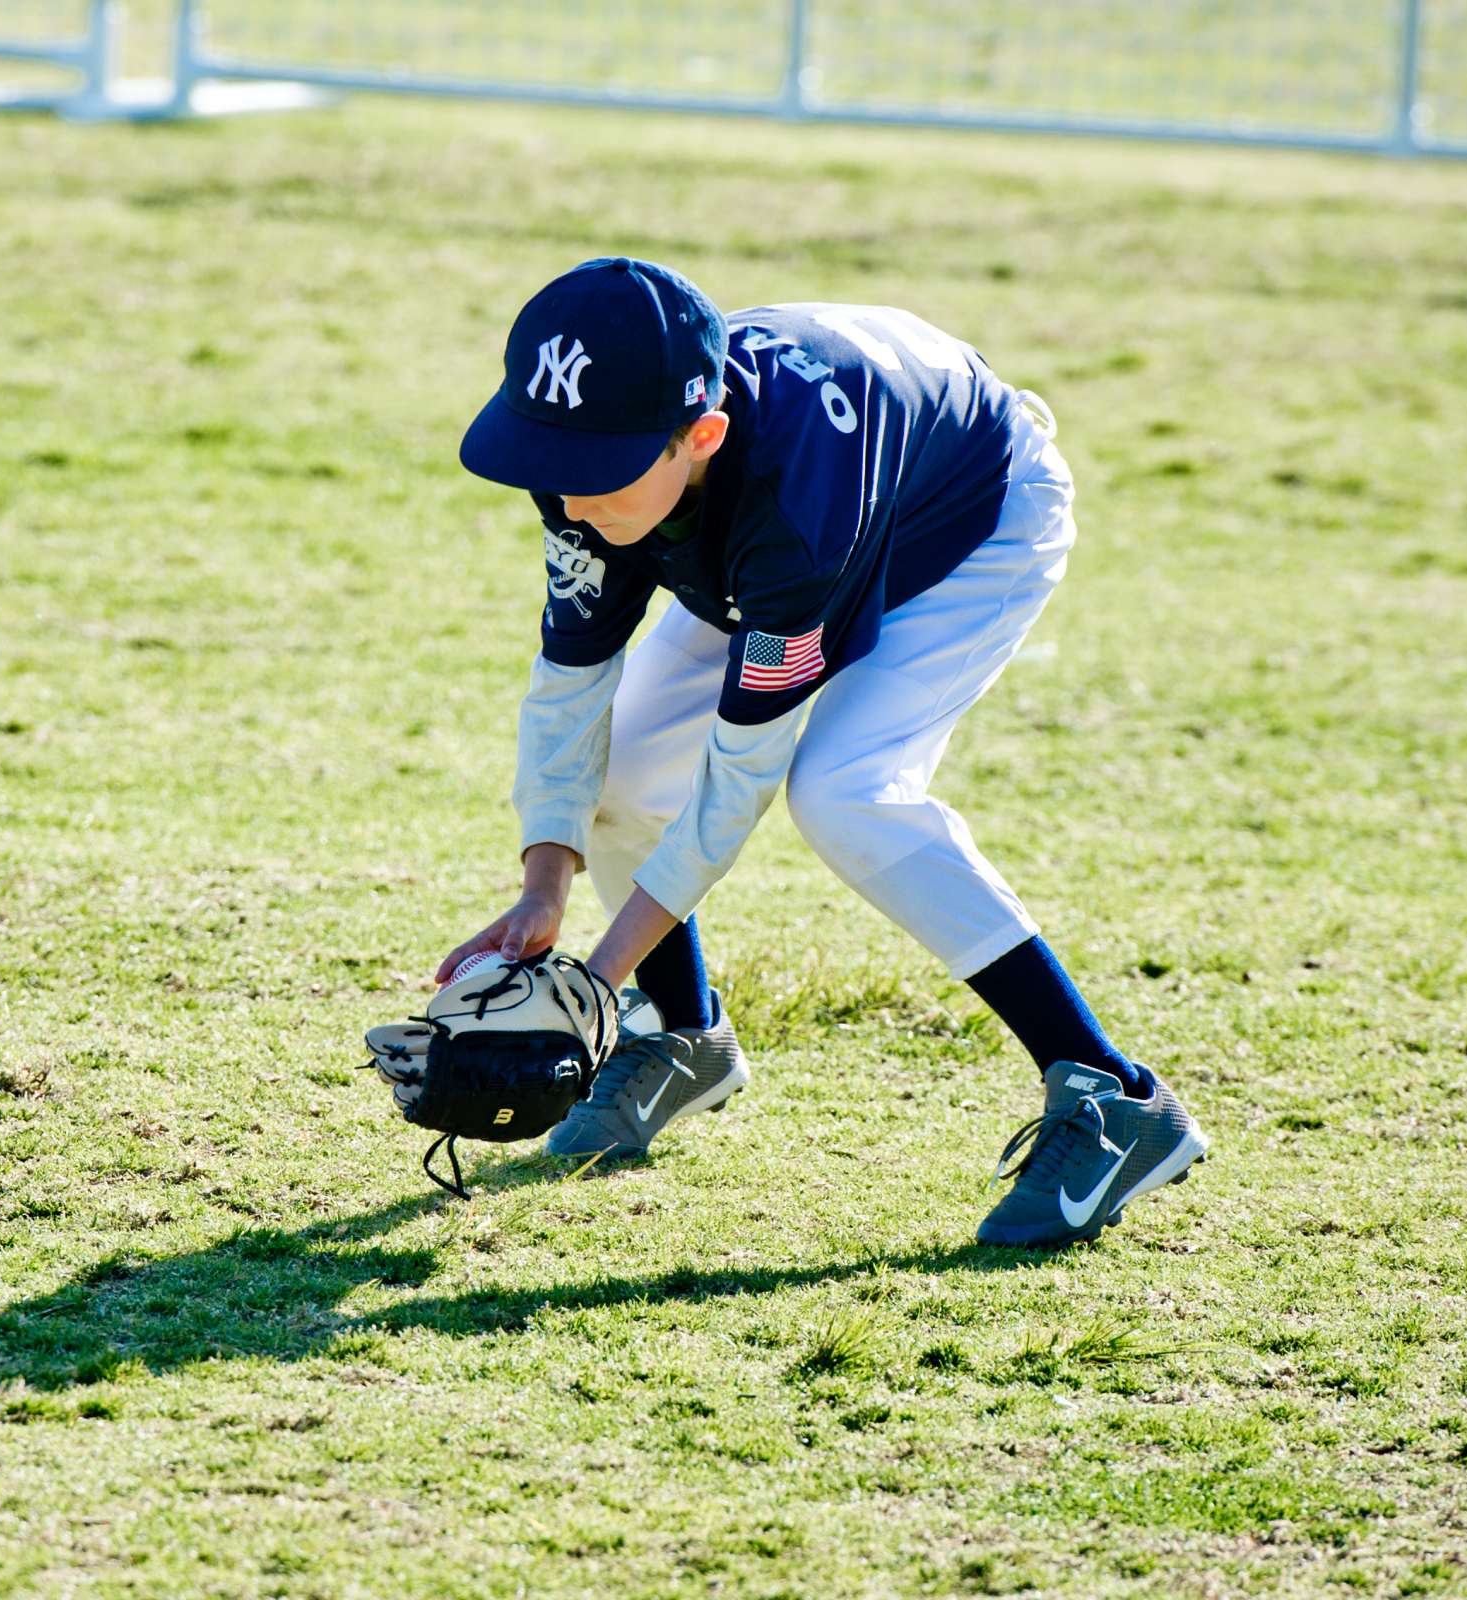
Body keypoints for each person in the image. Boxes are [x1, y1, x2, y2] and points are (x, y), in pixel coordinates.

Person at [435, 257, 1207, 1248]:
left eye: (594, 468)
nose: (563, 496)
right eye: (546, 455)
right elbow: (569, 686)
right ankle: (681, 1034)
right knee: (621, 774)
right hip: (762, 523)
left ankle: (1112, 1093)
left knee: (845, 792)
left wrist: (595, 978)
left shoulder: (797, 514)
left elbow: (735, 783)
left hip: (965, 519)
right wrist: (547, 882)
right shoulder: (598, 474)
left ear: (701, 434)